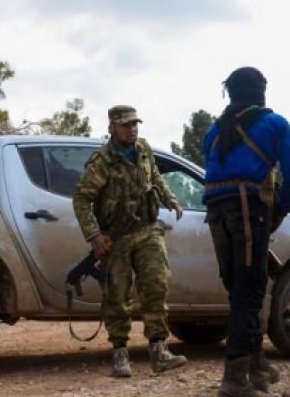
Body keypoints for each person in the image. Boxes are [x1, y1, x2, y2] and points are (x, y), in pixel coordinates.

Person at [203, 67, 290, 397]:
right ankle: (233, 380)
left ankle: (257, 365)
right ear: (261, 92)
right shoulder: (274, 123)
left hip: (217, 213)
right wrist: (282, 209)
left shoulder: (212, 131)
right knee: (249, 292)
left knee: (240, 290)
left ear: (231, 93)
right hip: (248, 211)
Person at [73, 105, 187, 378]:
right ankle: (120, 354)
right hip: (117, 237)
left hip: (148, 229)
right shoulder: (101, 162)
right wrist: (94, 235)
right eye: (125, 125)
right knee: (117, 296)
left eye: (135, 124)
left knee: (156, 285)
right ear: (112, 127)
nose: (132, 129)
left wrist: (169, 197)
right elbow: (81, 199)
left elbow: (155, 176)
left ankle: (159, 351)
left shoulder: (144, 149)